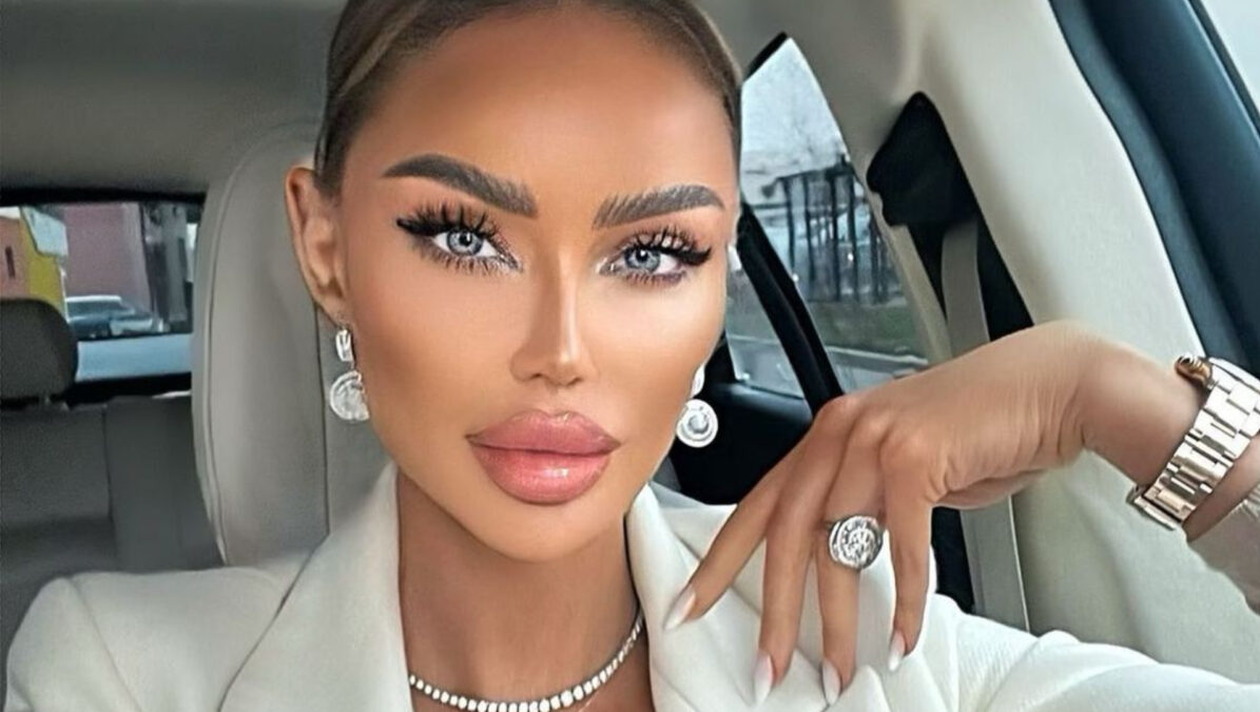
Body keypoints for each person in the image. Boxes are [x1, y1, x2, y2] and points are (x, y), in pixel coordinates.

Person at [5, 1, 1259, 710]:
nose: (560, 352)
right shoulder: (119, 673)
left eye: (653, 253)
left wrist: (1120, 400)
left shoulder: (881, 650)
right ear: (325, 249)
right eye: (463, 237)